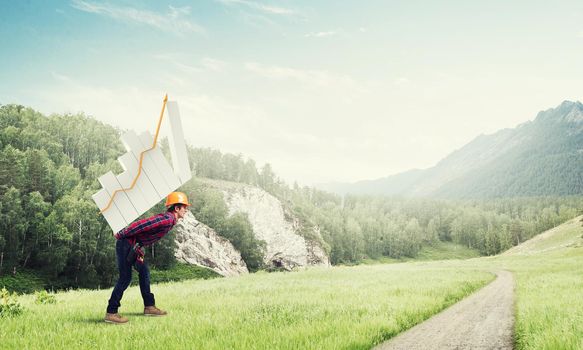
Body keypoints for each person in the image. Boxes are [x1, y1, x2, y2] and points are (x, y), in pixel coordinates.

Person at [104, 191, 190, 324]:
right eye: (184, 207)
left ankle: (149, 306)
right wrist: (122, 233)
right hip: (125, 243)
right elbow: (142, 224)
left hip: (133, 246)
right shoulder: (167, 219)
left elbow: (144, 236)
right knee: (125, 278)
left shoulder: (170, 221)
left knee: (144, 271)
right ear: (177, 208)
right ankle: (111, 312)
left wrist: (138, 249)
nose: (186, 209)